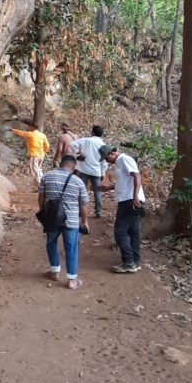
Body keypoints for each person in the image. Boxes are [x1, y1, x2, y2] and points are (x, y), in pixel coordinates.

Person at [38, 154, 90, 289]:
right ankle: (72, 280)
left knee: (51, 243)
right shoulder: (78, 182)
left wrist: (44, 213)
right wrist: (84, 222)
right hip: (71, 220)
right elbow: (83, 205)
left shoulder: (46, 176)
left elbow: (41, 197)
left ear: (61, 163)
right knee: (71, 248)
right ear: (73, 167)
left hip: (52, 218)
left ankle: (55, 272)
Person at [100, 145, 145, 273]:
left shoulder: (125, 159)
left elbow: (137, 176)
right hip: (128, 199)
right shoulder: (121, 163)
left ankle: (128, 261)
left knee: (120, 232)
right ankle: (134, 261)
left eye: (106, 158)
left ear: (111, 154)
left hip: (129, 200)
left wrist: (135, 196)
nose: (106, 161)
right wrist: (107, 188)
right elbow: (125, 182)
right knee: (133, 231)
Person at [76, 123, 107, 218]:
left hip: (84, 170)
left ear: (92, 132)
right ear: (101, 134)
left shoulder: (85, 140)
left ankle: (81, 211)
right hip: (96, 171)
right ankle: (99, 211)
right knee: (97, 191)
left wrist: (76, 156)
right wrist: (103, 172)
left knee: (82, 190)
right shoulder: (103, 145)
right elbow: (104, 161)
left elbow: (71, 145)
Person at [10, 120, 50, 186]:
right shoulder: (43, 135)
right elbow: (47, 145)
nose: (29, 128)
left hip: (34, 156)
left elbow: (21, 133)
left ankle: (40, 185)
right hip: (41, 155)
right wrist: (44, 151)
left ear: (32, 127)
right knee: (38, 169)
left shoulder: (31, 134)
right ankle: (40, 182)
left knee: (35, 171)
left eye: (30, 127)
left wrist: (13, 130)